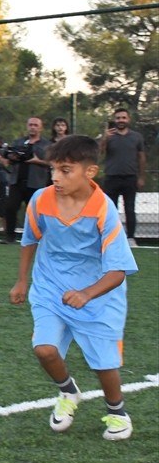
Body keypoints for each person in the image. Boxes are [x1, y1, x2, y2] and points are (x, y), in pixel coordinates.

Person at [9, 135, 138, 441]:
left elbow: (118, 271)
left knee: (104, 364)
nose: (55, 177)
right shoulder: (41, 200)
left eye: (65, 170)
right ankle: (68, 391)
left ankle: (117, 412)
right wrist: (22, 280)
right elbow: (30, 240)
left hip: (99, 294)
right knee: (44, 348)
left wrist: (86, 294)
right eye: (53, 169)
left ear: (89, 172)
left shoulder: (103, 209)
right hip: (50, 286)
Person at [99, 108, 147, 248]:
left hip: (130, 177)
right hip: (111, 177)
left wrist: (141, 177)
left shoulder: (136, 137)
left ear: (128, 119)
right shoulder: (109, 136)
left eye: (123, 117)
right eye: (118, 118)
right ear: (115, 120)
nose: (121, 120)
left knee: (130, 209)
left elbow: (142, 158)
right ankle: (110, 236)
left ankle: (131, 238)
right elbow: (100, 153)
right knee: (110, 209)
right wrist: (104, 138)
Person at [2, 116, 51, 245]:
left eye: (36, 125)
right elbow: (9, 159)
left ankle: (38, 237)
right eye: (31, 125)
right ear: (27, 126)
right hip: (17, 181)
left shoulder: (46, 145)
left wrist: (37, 161)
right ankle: (9, 236)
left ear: (41, 128)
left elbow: (52, 163)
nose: (33, 127)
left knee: (36, 213)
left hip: (35, 182)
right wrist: (12, 156)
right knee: (10, 208)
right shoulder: (19, 142)